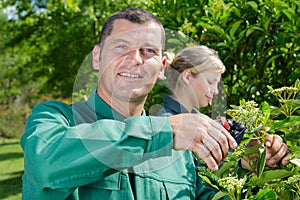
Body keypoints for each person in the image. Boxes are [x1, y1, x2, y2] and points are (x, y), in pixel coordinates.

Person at [20, 8, 238, 200]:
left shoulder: (179, 151)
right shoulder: (55, 119)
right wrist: (164, 131)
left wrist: (251, 167)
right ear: (97, 57)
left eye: (148, 51)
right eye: (121, 46)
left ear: (162, 68)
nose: (135, 58)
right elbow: (45, 165)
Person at [156, 45, 291, 171]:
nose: (215, 91)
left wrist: (254, 146)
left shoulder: (203, 122)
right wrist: (238, 163)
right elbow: (194, 174)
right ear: (187, 76)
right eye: (210, 82)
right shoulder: (164, 126)